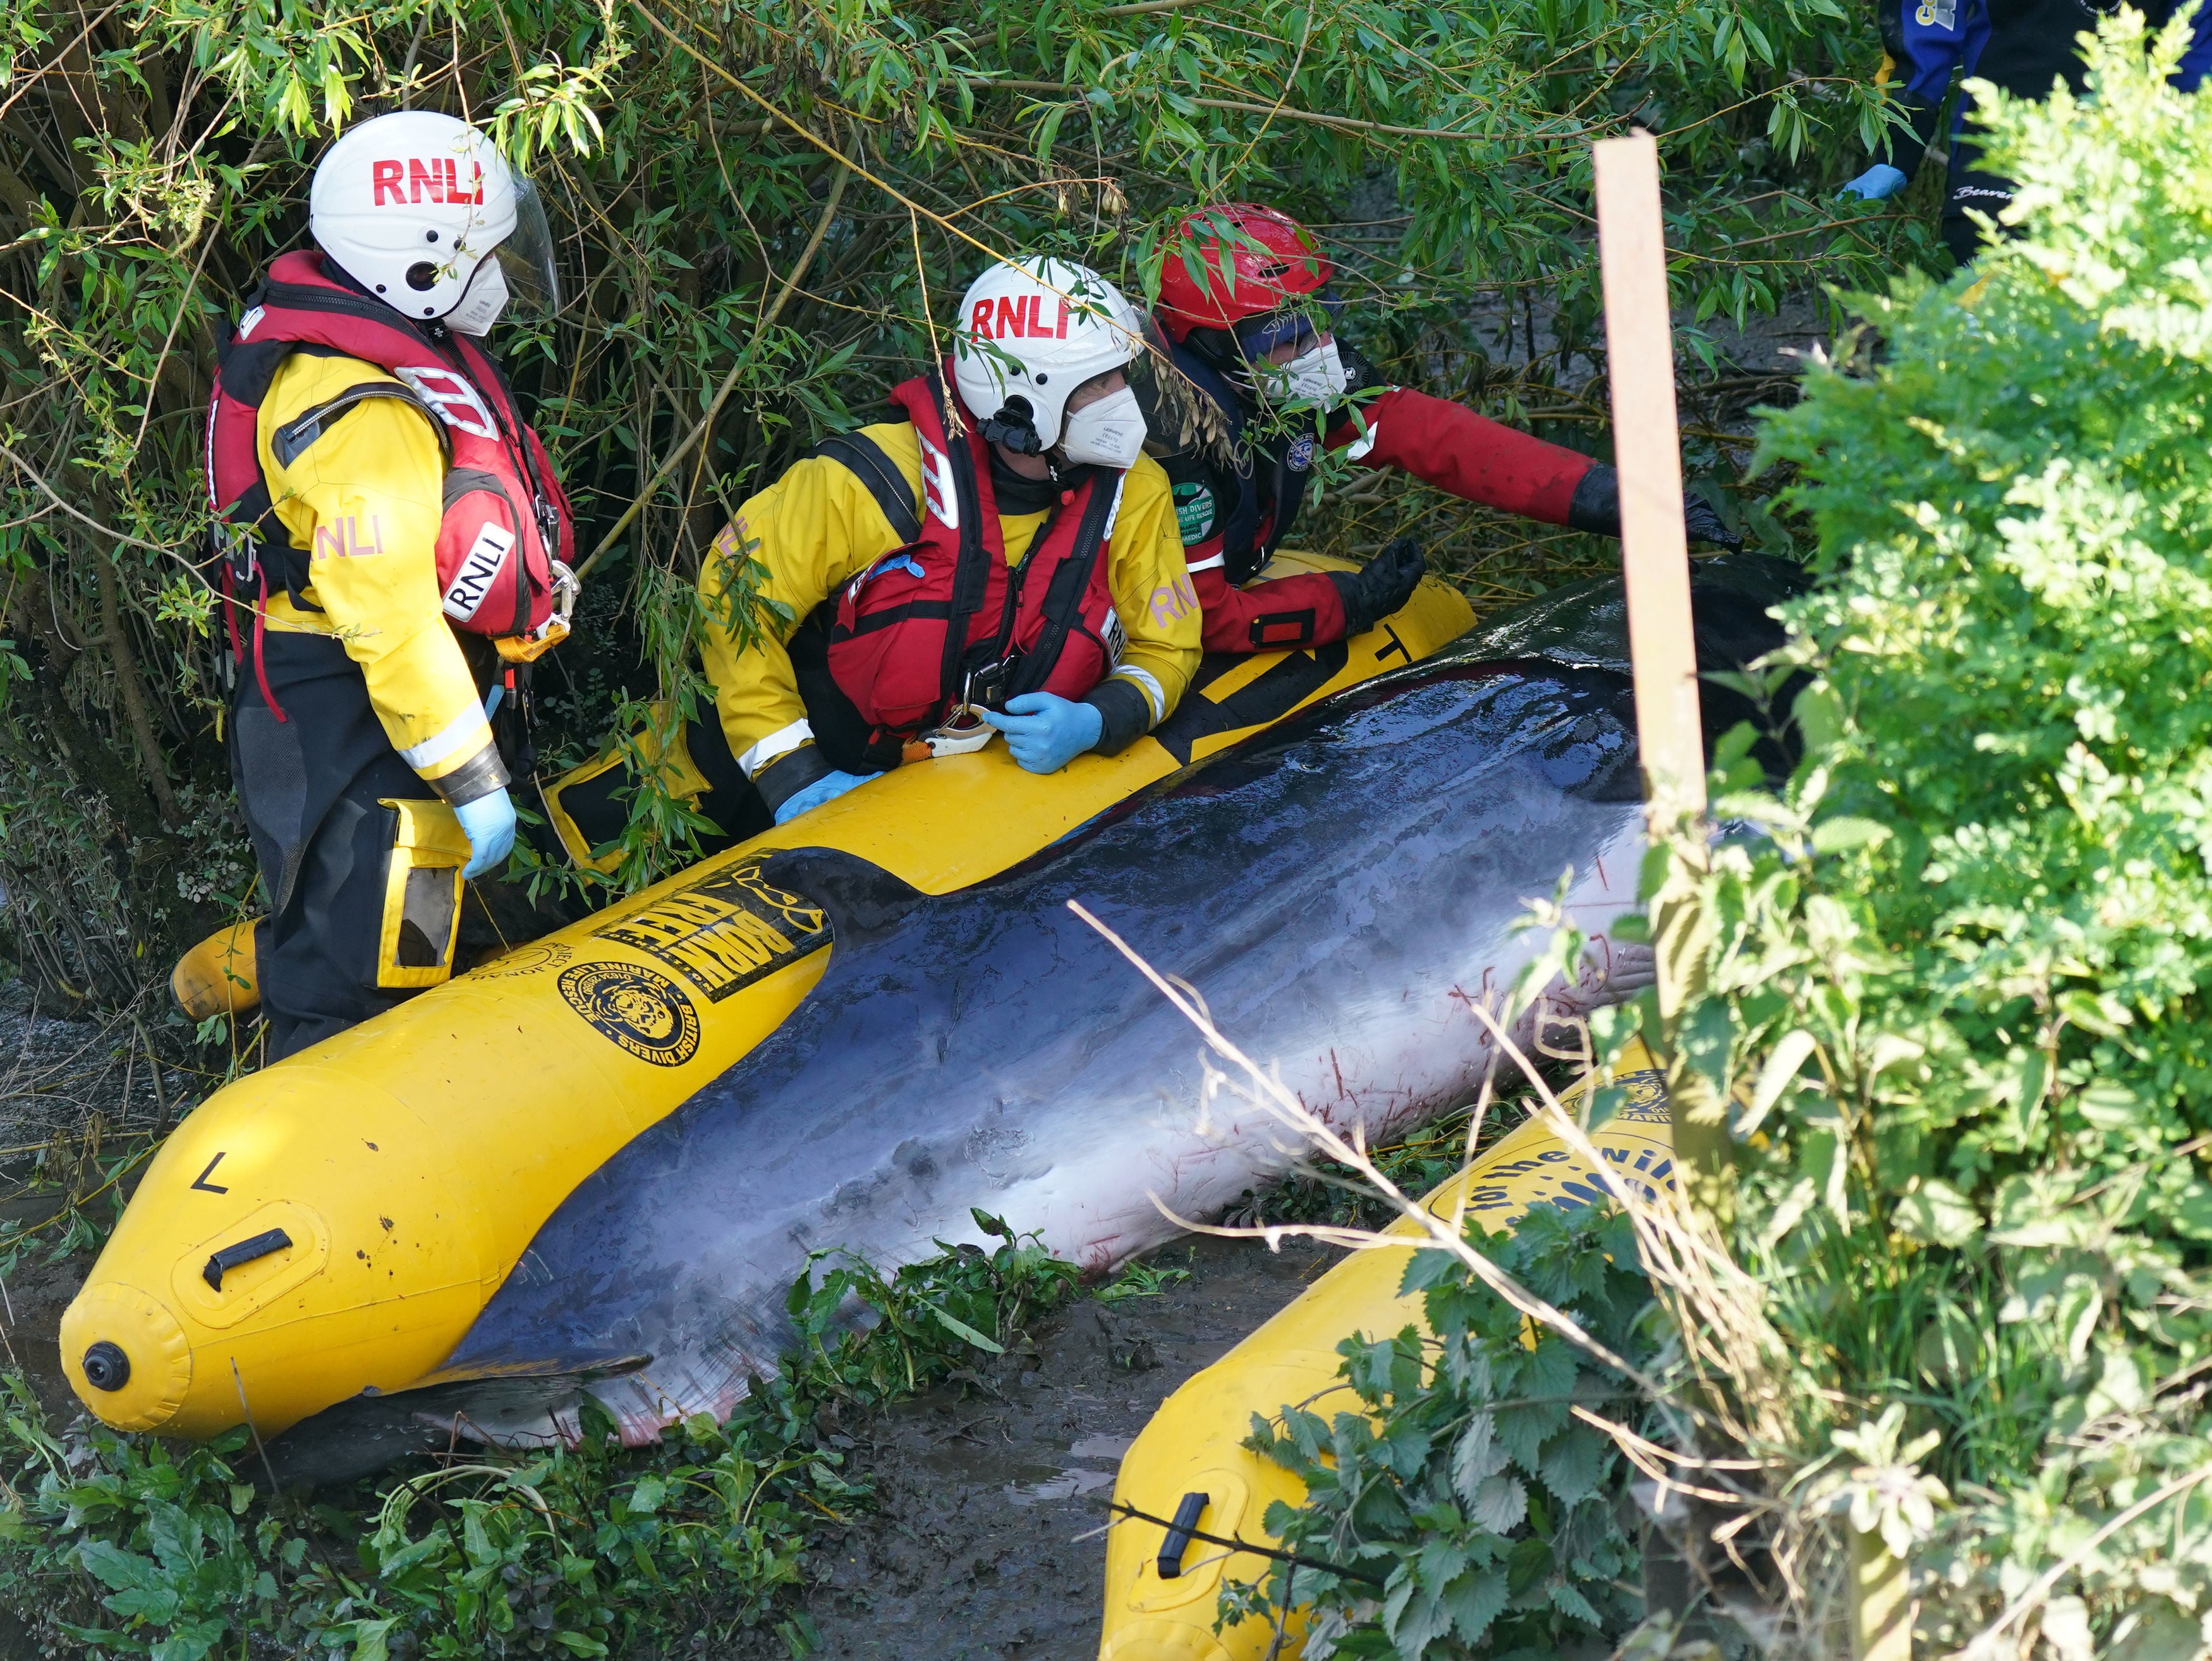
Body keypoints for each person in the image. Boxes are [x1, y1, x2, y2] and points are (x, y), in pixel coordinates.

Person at [200, 110, 578, 1058]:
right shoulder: (361, 409)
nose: (501, 276)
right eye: (486, 254)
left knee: (413, 939)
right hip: (349, 712)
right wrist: (472, 774)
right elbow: (390, 619)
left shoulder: (391, 356)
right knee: (354, 978)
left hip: (394, 703)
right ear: (421, 260)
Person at [679, 255, 1201, 829]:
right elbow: (731, 597)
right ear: (1028, 399)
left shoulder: (1135, 492)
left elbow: (1166, 649)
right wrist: (790, 773)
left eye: (1122, 374)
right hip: (759, 768)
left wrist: (1100, 720)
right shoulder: (868, 482)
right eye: (1100, 382)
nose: (1121, 398)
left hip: (940, 801)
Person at [1142, 204, 1741, 656]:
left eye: (1319, 320)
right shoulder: (1180, 442)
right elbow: (1201, 617)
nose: (1317, 351)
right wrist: (1349, 603)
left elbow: (1436, 437)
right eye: (1286, 339)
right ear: (1212, 346)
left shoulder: (1277, 374)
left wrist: (1615, 499)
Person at [1840, 0, 2211, 263]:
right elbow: (1928, 20)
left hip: (2126, 163)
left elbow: (2197, 54)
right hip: (1998, 146)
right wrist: (1897, 152)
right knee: (1980, 314)